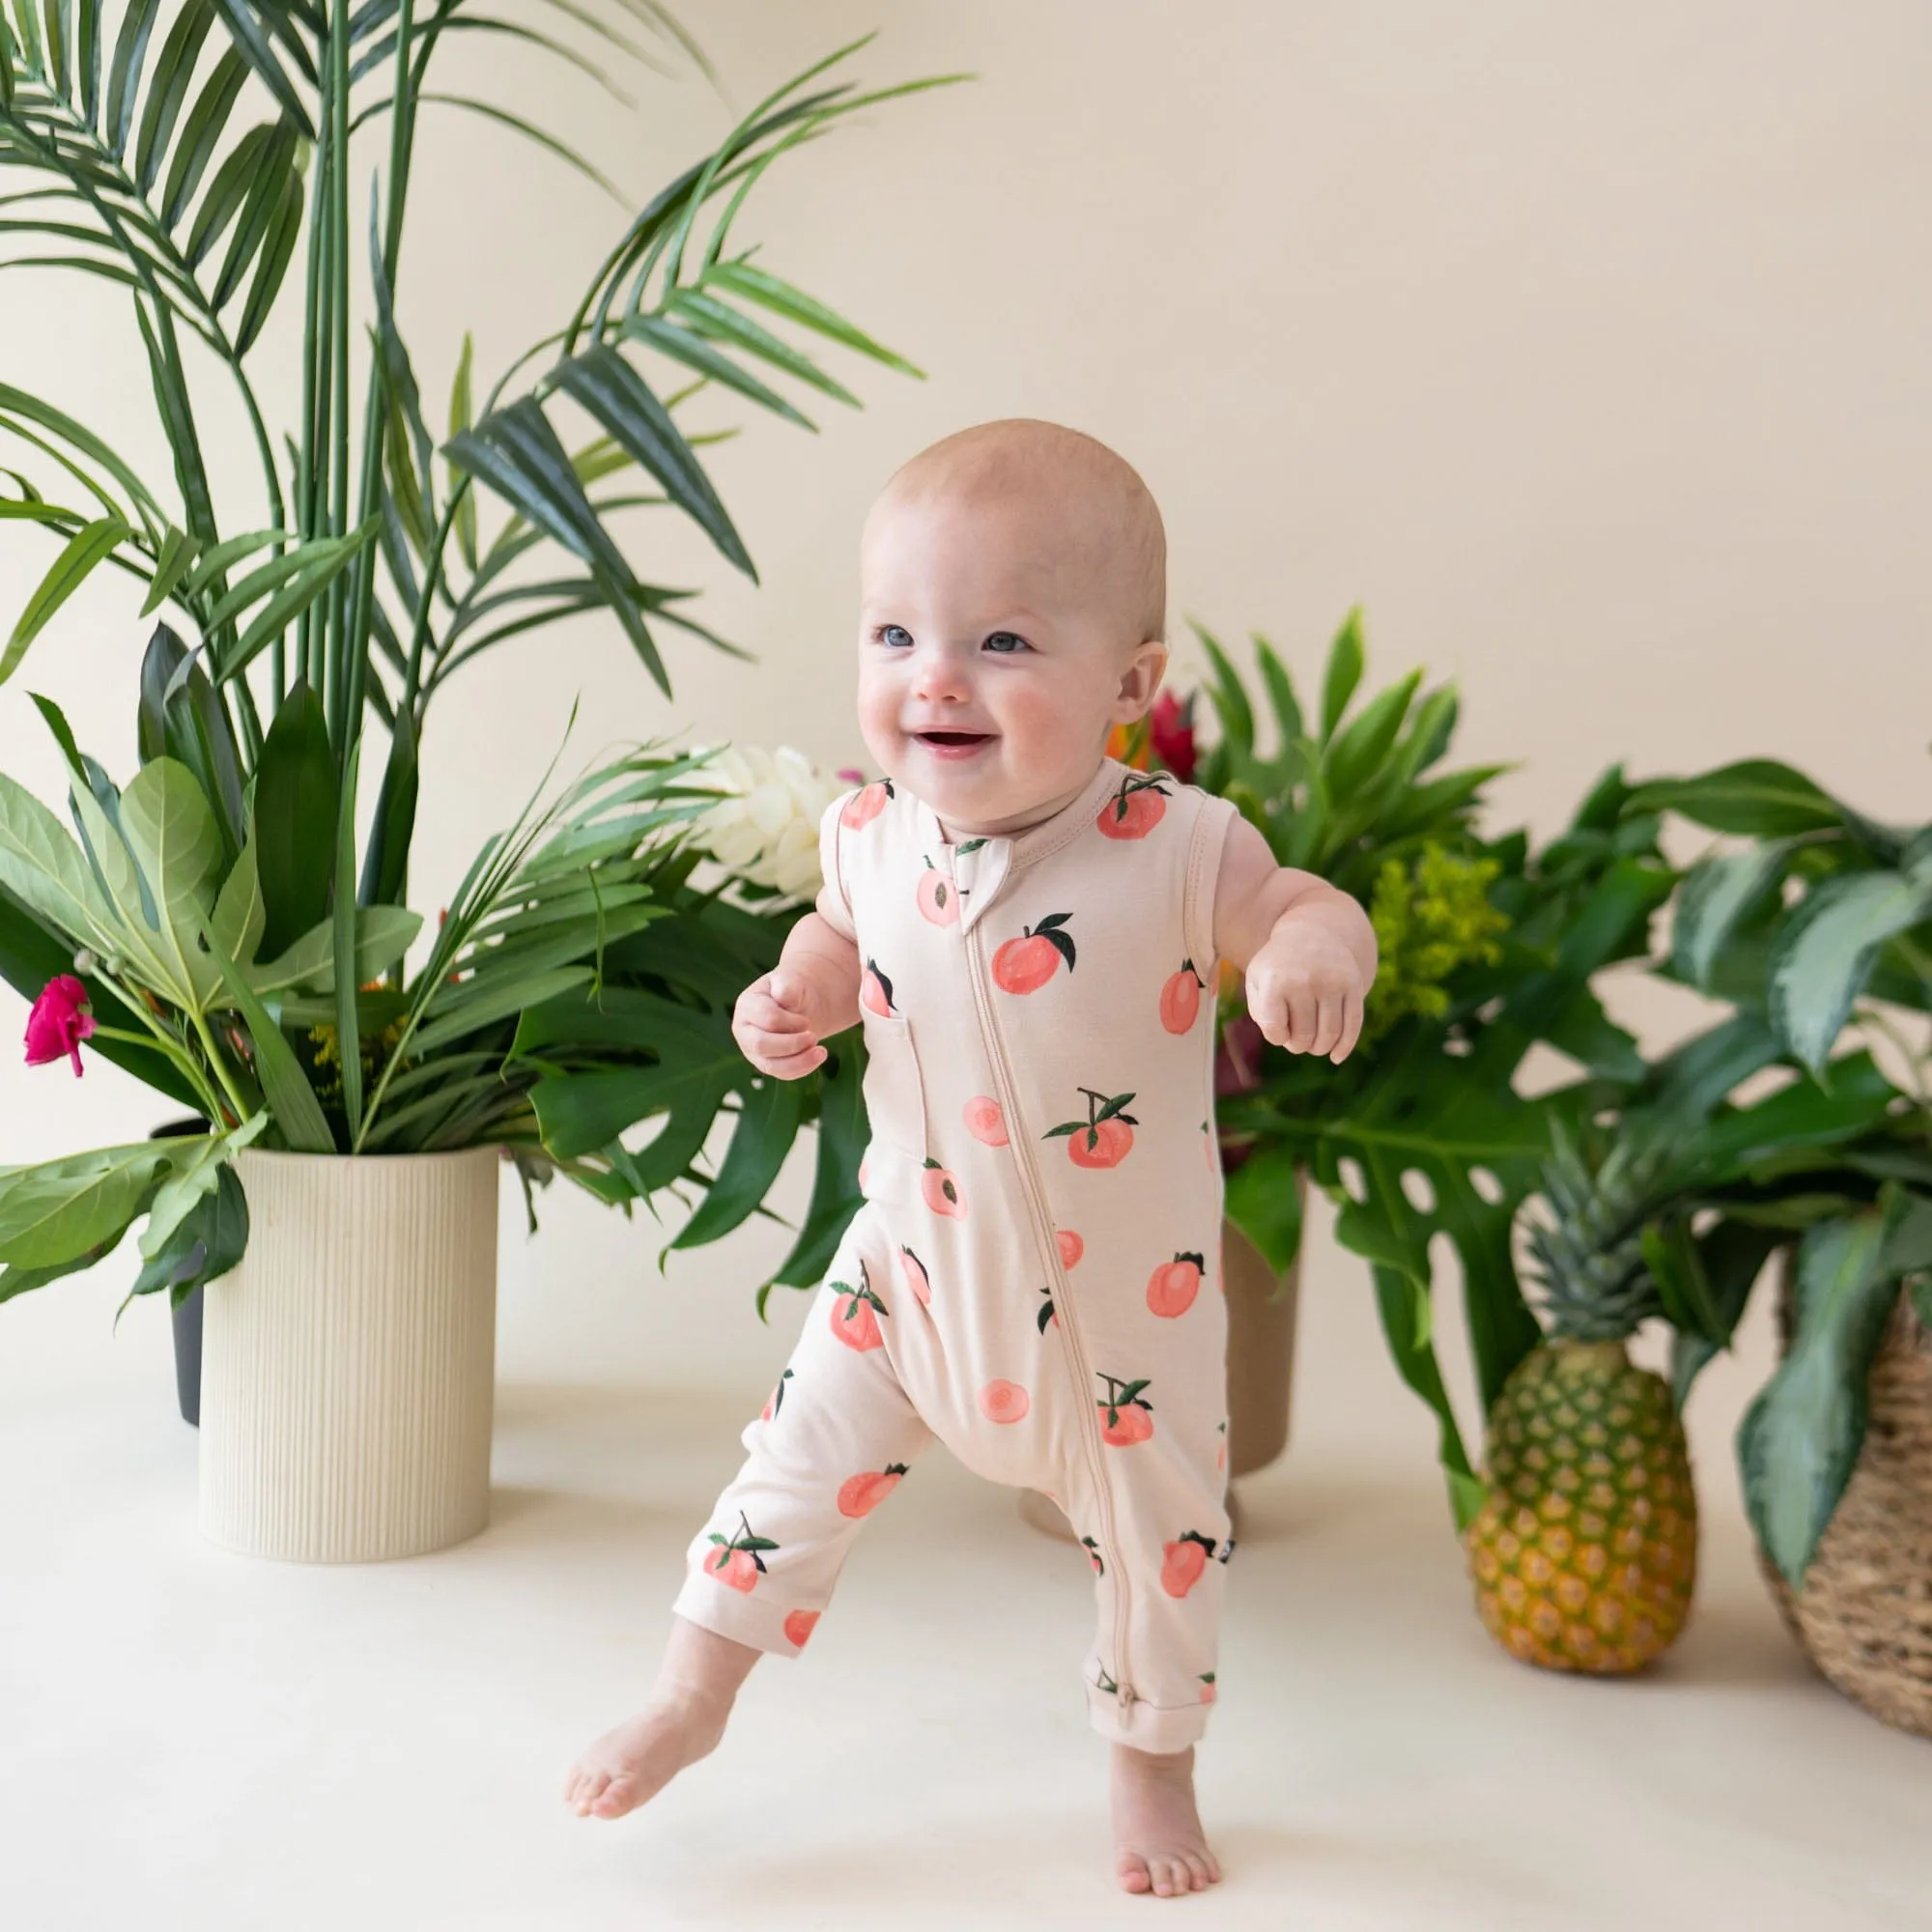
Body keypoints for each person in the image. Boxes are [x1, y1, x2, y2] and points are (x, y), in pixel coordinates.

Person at [565, 418, 1378, 1898]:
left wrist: (1315, 955)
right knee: (785, 1473)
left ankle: (1149, 1775)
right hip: (910, 1280)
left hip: (1124, 1327)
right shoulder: (873, 834)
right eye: (896, 632)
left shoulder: (1175, 845)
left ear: (1132, 688)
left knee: (1160, 1557)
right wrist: (799, 991)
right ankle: (692, 1691)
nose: (934, 676)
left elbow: (1301, 904)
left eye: (1001, 639)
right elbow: (835, 934)